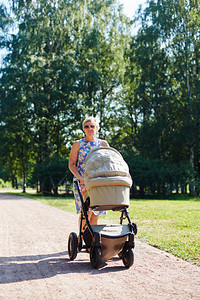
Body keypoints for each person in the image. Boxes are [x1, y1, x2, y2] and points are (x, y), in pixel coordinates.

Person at [68, 116, 109, 228]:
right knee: (86, 213)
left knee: (96, 213)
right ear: (83, 129)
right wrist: (80, 177)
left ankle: (92, 242)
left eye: (92, 126)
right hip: (82, 182)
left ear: (97, 128)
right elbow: (71, 164)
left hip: (98, 181)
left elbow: (108, 162)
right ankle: (82, 238)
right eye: (87, 126)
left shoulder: (103, 144)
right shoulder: (78, 144)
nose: (90, 128)